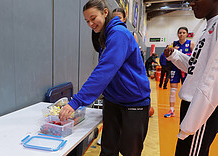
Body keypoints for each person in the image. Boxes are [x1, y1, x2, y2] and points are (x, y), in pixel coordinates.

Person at [59, 0, 151, 155]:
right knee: (108, 149)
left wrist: (76, 102)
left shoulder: (119, 34)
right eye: (87, 21)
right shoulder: (104, 35)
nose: (90, 23)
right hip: (113, 101)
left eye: (93, 18)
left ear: (105, 12)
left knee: (130, 151)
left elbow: (104, 71)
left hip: (134, 101)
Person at [164, 0, 218, 155]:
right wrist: (175, 55)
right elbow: (196, 67)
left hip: (202, 108)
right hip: (193, 104)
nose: (191, 3)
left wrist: (192, 122)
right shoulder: (208, 26)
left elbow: (213, 80)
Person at [164, 27, 195, 118]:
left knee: (187, 89)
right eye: (180, 32)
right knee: (173, 89)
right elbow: (167, 55)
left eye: (183, 32)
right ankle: (171, 110)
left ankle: (189, 110)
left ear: (187, 34)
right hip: (175, 69)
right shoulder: (173, 44)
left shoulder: (191, 43)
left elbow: (195, 58)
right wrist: (171, 50)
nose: (181, 34)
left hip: (185, 69)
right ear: (178, 34)